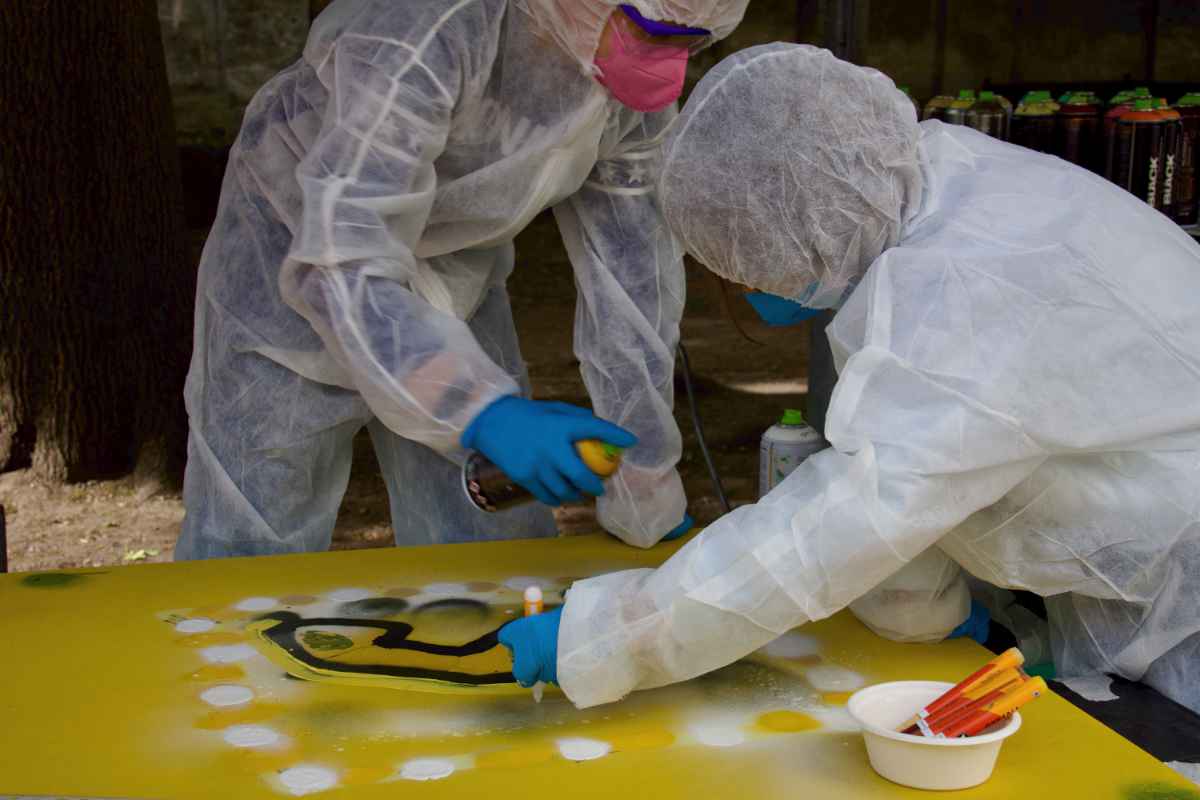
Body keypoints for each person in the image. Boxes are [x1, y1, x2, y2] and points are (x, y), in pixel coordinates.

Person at [499, 44, 1200, 715]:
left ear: (793, 228)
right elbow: (920, 463)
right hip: (1142, 571)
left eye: (743, 256)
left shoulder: (958, 297)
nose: (746, 278)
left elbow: (845, 522)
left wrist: (610, 638)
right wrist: (924, 613)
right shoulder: (942, 176)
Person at [175, 0, 750, 560]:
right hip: (292, 247)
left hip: (457, 275)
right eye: (651, 31)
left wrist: (645, 479)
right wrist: (480, 409)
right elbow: (340, 256)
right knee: (253, 537)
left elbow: (632, 278)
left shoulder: (624, 95)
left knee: (495, 549)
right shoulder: (429, 28)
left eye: (693, 42)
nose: (668, 66)